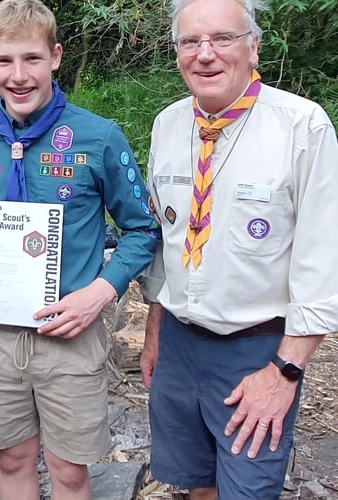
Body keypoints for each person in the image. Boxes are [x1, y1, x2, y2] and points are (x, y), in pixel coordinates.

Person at [0, 1, 160, 498]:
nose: (19, 76)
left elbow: (143, 229)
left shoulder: (98, 136)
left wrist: (101, 293)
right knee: (13, 459)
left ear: (56, 57)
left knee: (68, 469)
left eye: (32, 59)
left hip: (71, 330)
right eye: (5, 61)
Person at [139, 0, 338, 498]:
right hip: (179, 348)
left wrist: (286, 371)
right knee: (194, 484)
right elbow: (168, 241)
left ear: (254, 46)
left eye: (222, 38)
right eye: (190, 42)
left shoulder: (303, 128)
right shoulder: (168, 125)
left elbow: (323, 259)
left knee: (248, 490)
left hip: (258, 351)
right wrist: (154, 332)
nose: (205, 54)